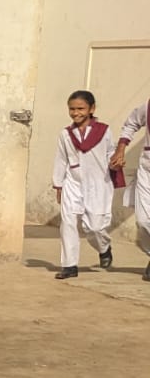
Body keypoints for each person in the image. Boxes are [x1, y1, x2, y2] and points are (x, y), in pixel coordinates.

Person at [52, 90, 117, 279]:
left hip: (98, 183)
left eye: (80, 108)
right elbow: (60, 159)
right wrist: (58, 185)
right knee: (68, 223)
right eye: (72, 109)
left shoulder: (103, 131)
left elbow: (110, 152)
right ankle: (69, 266)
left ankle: (104, 248)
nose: (75, 113)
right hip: (72, 182)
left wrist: (114, 161)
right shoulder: (65, 134)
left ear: (91, 109)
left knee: (95, 227)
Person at [110, 99, 150, 280]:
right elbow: (131, 123)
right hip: (148, 167)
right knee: (143, 221)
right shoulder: (148, 107)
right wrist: (120, 150)